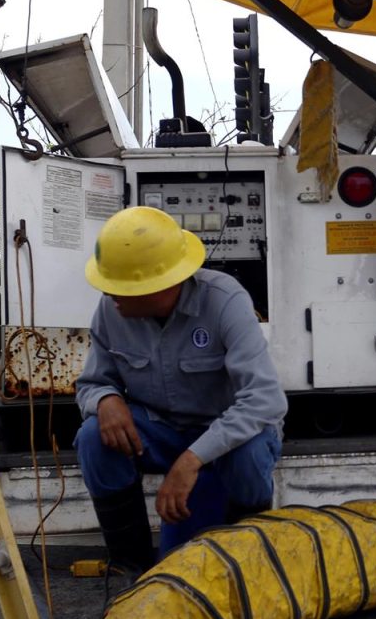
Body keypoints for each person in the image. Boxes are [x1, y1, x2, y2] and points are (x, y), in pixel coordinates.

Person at [74, 205, 286, 574]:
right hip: (160, 432)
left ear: (161, 286)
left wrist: (191, 460)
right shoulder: (110, 310)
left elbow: (265, 400)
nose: (110, 294)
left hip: (224, 437)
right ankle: (133, 566)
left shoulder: (225, 300)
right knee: (93, 437)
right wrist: (105, 400)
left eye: (121, 287)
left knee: (249, 453)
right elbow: (92, 383)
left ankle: (247, 560)